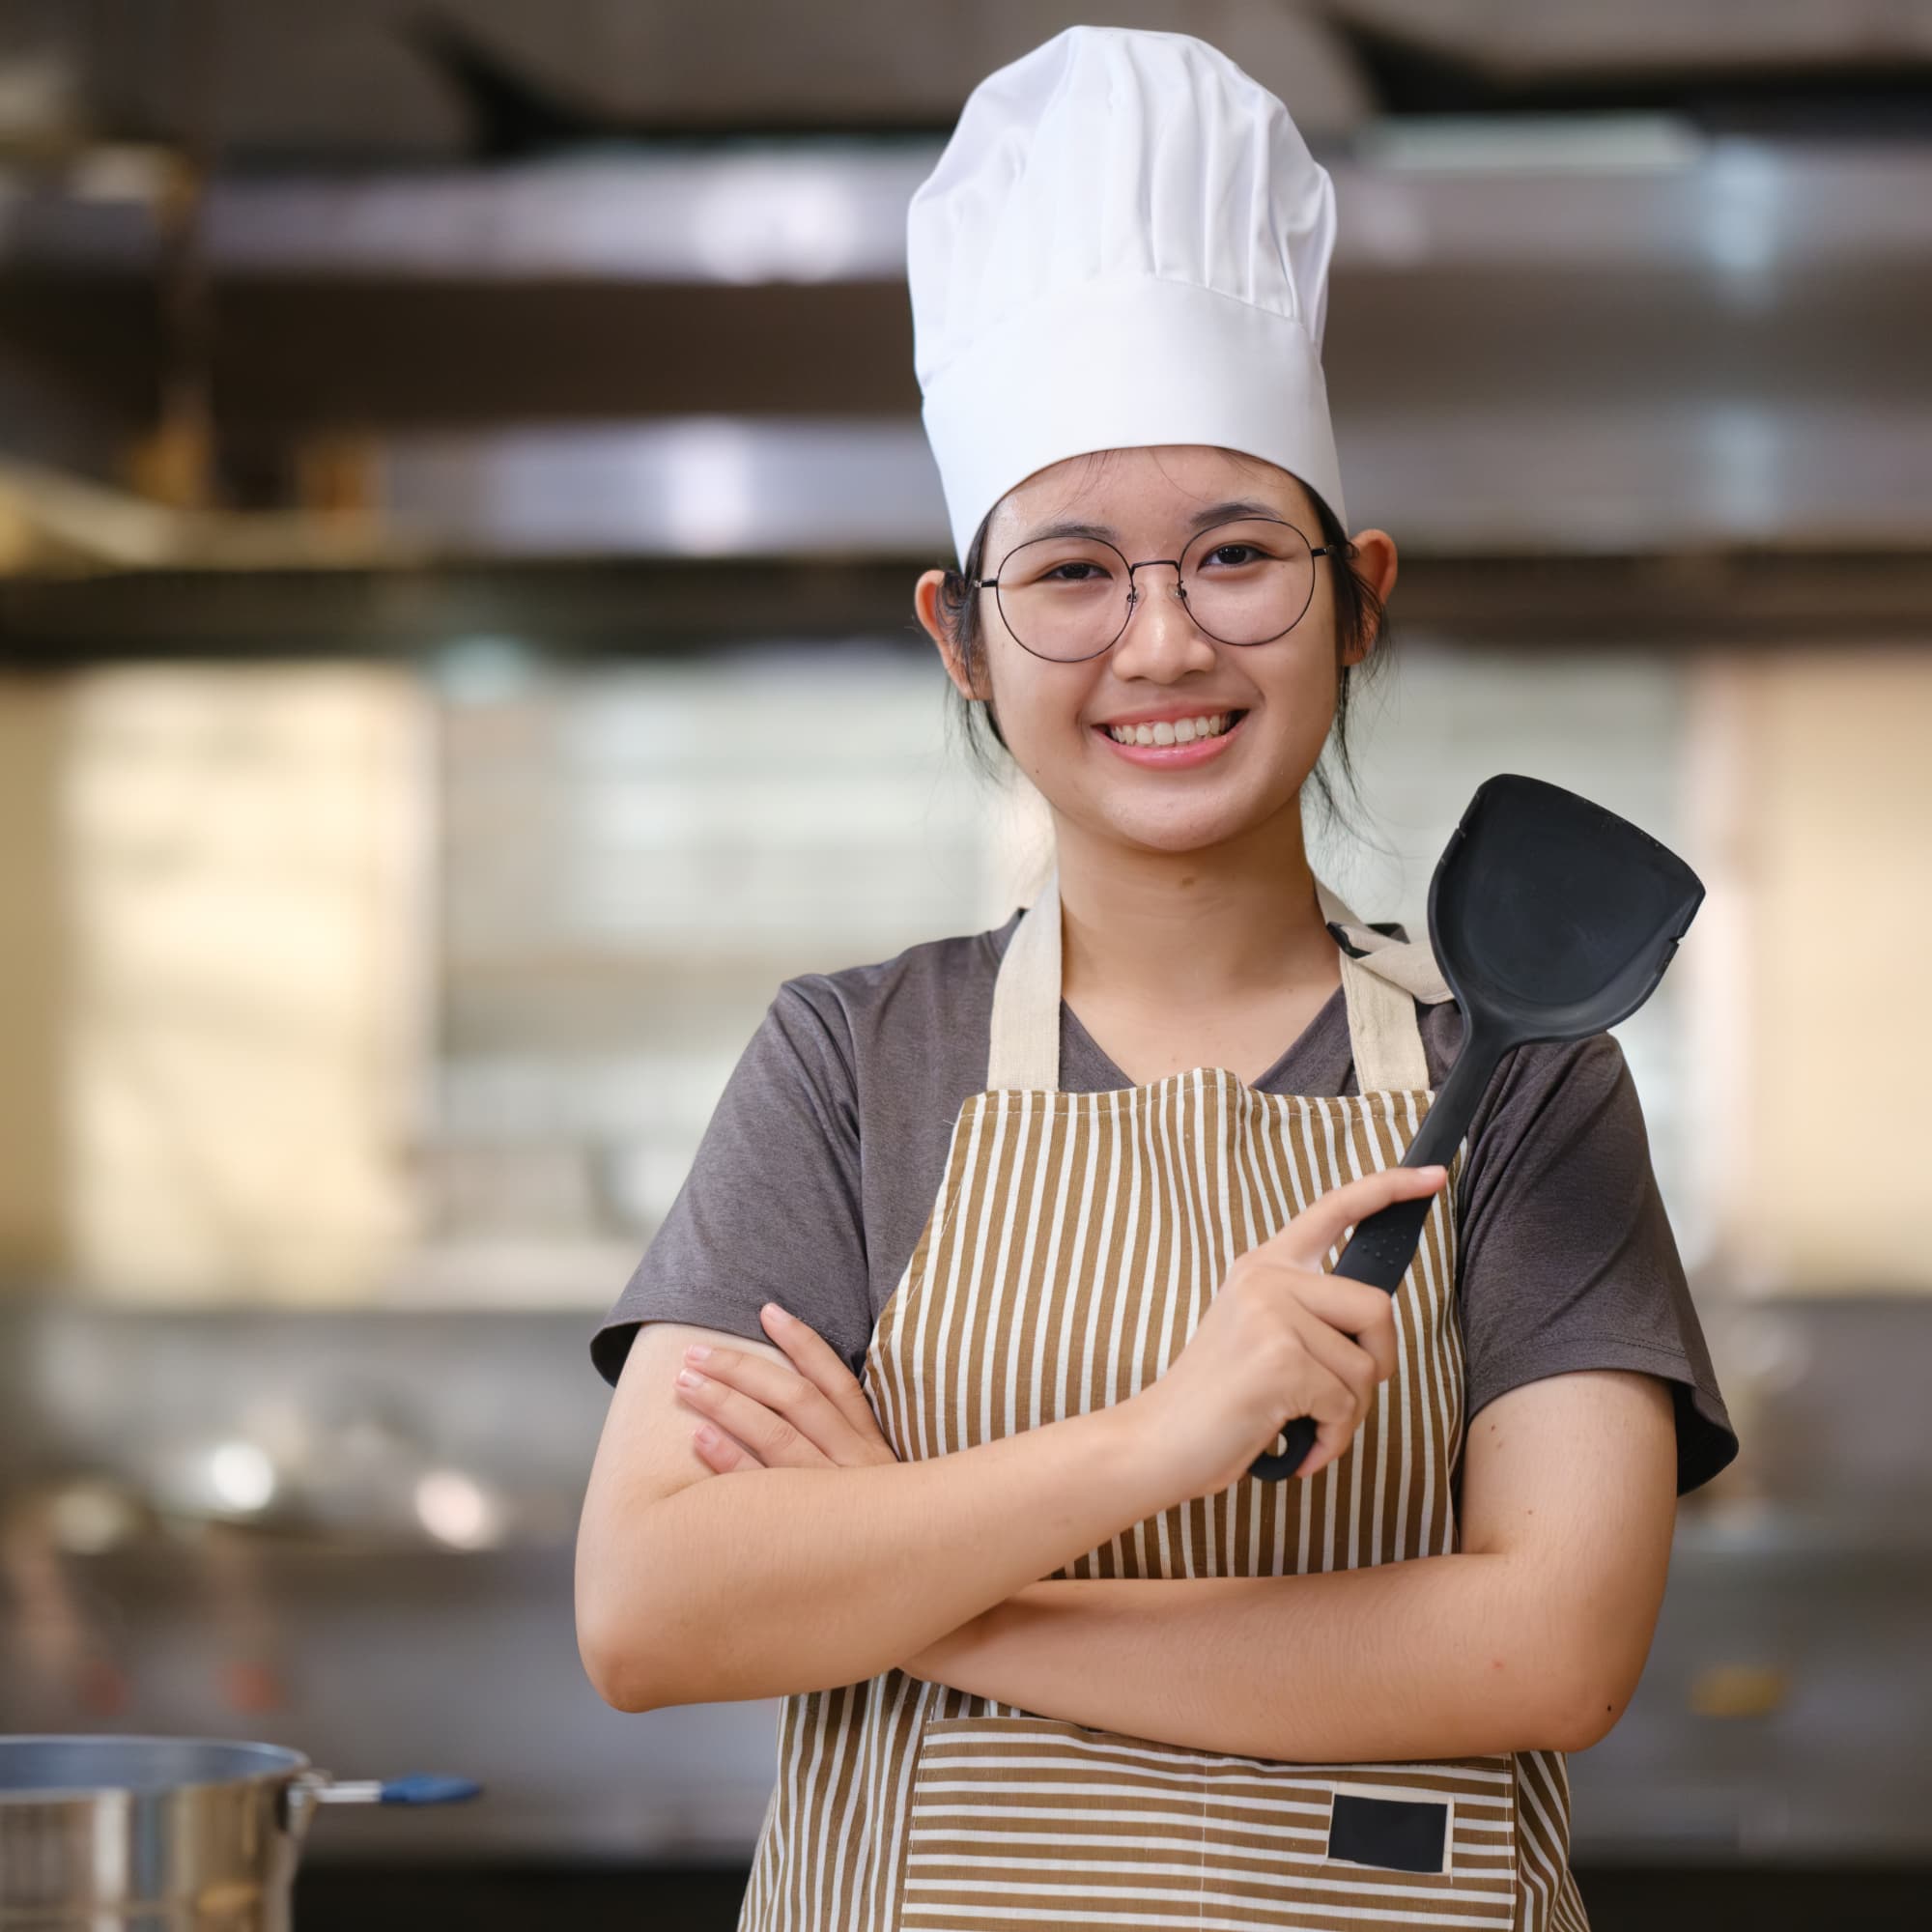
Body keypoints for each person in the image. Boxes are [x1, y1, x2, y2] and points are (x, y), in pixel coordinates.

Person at [576, 24, 1737, 1932]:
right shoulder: (854, 1062)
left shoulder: (1518, 1084)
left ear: (1356, 595)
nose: (1163, 642)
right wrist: (1152, 1441)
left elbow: (1547, 1651)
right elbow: (649, 1612)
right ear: (962, 633)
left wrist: (917, 1589)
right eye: (1072, 573)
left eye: (1231, 556)